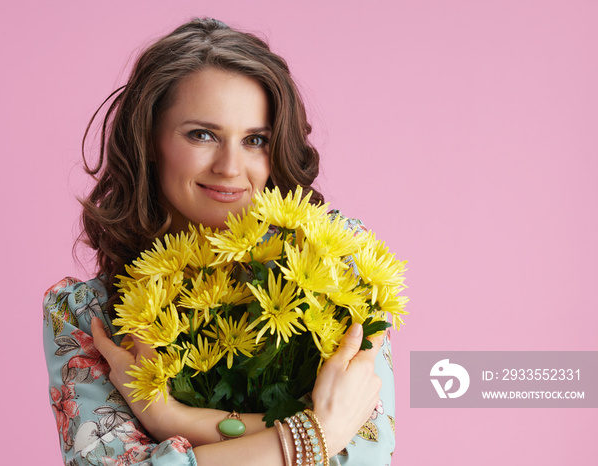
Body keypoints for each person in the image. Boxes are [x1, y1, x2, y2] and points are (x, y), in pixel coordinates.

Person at [43, 18, 396, 466]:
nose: (231, 166)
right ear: (150, 141)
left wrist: (173, 420)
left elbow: (366, 451)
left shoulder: (339, 264)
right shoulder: (82, 315)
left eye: (255, 140)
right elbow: (340, 432)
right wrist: (316, 432)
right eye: (202, 135)